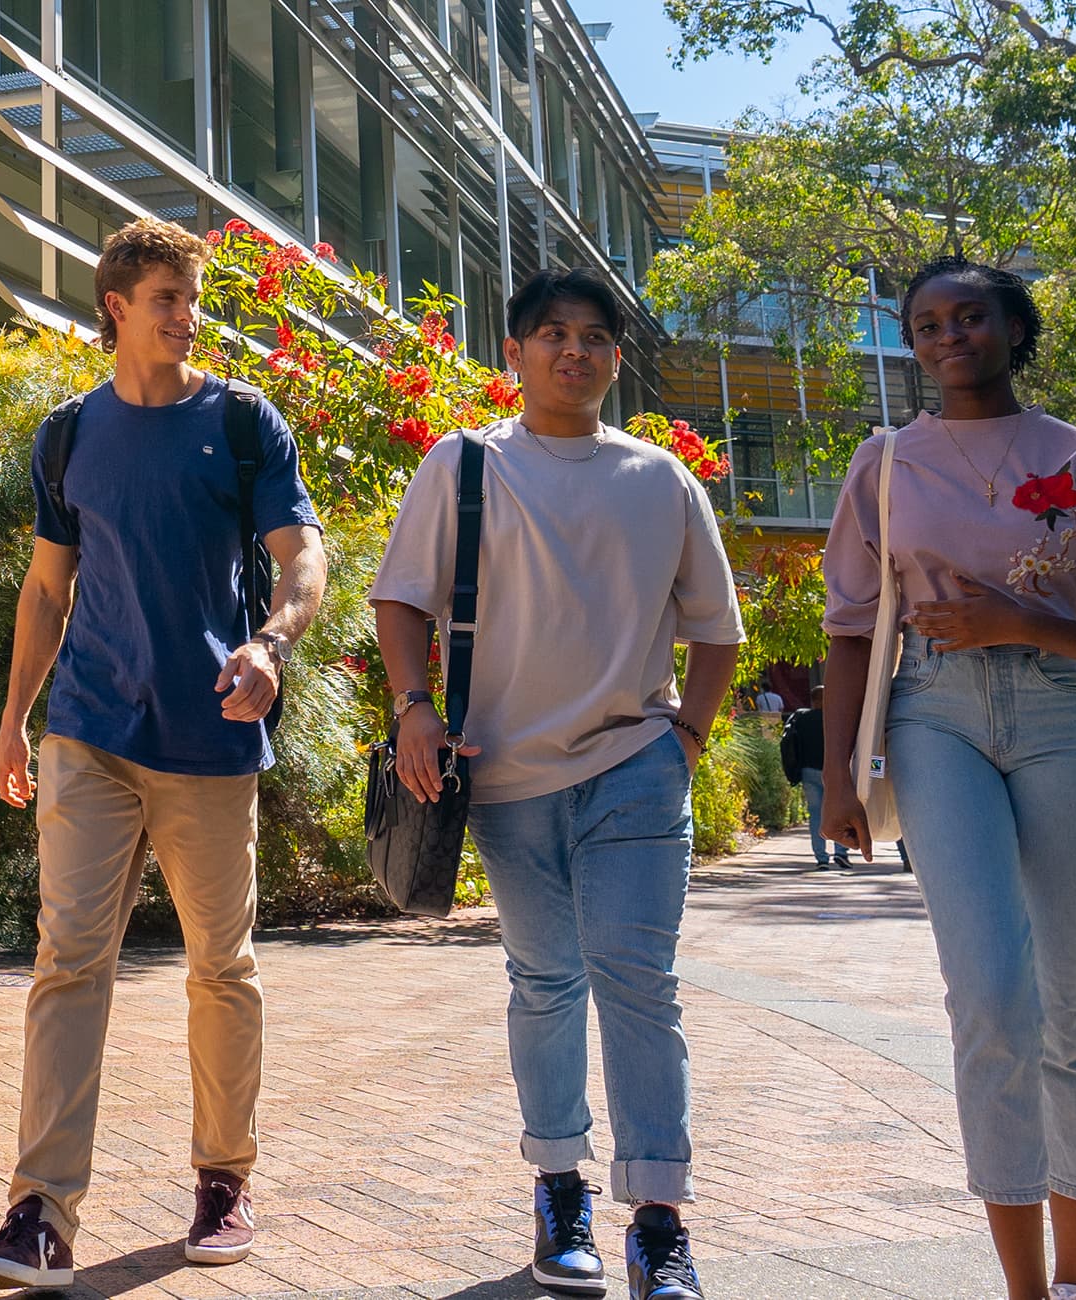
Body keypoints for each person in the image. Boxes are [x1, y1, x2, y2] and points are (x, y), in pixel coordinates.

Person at [817, 257, 1076, 1300]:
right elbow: (850, 629)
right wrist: (840, 779)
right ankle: (1024, 1291)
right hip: (931, 715)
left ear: (1013, 328)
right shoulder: (884, 463)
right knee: (989, 997)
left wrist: (1028, 621)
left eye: (969, 317)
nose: (947, 336)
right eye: (926, 323)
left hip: (1060, 715)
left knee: (1071, 1013)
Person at [0, 217, 329, 1290]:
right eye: (168, 295)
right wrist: (13, 717)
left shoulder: (241, 422)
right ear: (117, 307)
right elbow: (46, 587)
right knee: (68, 961)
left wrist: (273, 641)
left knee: (222, 966)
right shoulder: (69, 435)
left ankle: (224, 1175)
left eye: (195, 295)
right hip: (90, 729)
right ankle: (40, 1211)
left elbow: (302, 550)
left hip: (209, 734)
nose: (188, 313)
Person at [376, 267, 741, 1300]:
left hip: (635, 765)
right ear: (516, 355)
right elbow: (401, 602)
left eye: (591, 338)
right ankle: (560, 1188)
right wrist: (414, 706)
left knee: (638, 981)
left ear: (614, 362)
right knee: (544, 982)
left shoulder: (662, 478)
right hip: (502, 779)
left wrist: (689, 738)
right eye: (551, 335)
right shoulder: (464, 464)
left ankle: (660, 1223)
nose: (571, 352)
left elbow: (715, 628)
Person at [782, 706, 845, 868]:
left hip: (808, 770)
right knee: (837, 811)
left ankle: (821, 858)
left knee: (816, 814)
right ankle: (841, 850)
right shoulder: (835, 718)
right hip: (832, 770)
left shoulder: (802, 719)